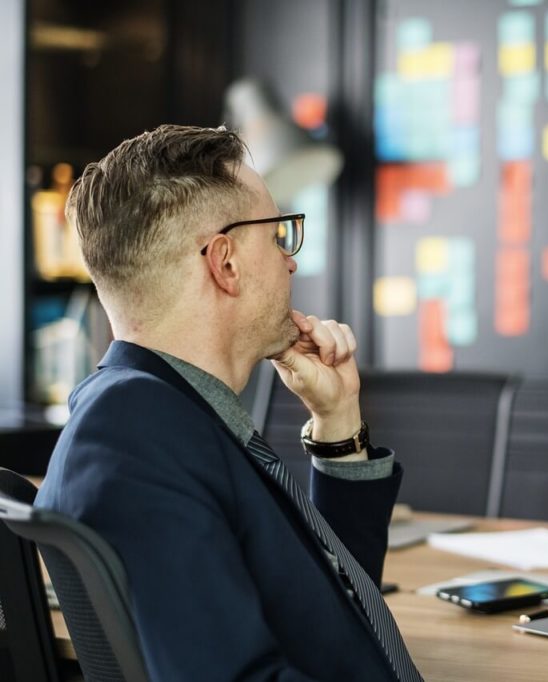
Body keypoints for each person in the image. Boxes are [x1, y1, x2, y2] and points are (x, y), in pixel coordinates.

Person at [35, 125, 422, 681]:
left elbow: (329, 614)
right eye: (277, 237)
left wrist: (338, 423)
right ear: (226, 263)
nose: (291, 262)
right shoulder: (136, 440)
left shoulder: (155, 412)